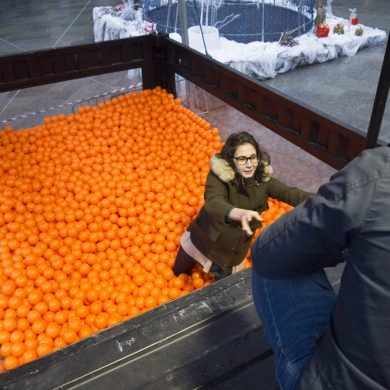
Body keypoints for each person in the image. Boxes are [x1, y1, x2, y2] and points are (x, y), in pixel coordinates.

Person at [250, 144, 390, 390]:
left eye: (251, 158)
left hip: (338, 382)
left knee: (276, 262)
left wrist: (345, 234)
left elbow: (267, 252)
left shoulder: (381, 173)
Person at [173, 131, 314, 279]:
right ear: (231, 159)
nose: (249, 165)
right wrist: (236, 213)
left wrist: (330, 197)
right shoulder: (219, 176)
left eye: (253, 158)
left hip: (232, 251)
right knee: (178, 273)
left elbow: (292, 193)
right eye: (242, 159)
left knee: (223, 287)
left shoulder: (263, 180)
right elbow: (213, 202)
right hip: (205, 237)